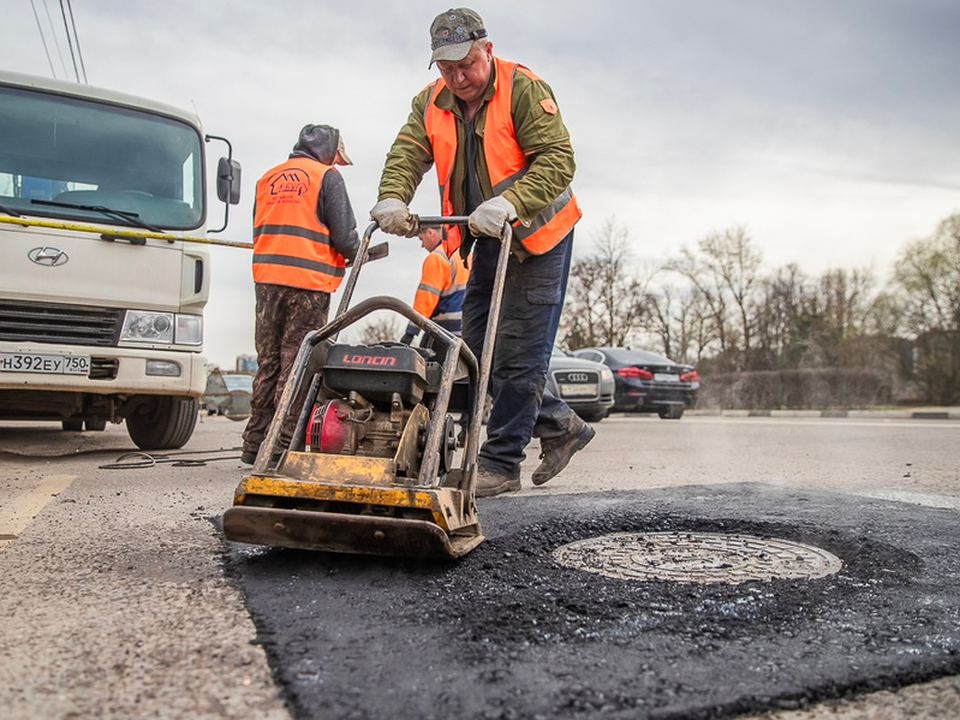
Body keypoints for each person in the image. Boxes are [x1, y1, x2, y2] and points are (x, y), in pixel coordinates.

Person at [370, 8, 594, 497]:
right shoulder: (430, 101)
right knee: (474, 351)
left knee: (521, 354)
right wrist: (393, 196)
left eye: (466, 64)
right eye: (447, 68)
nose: (459, 77)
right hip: (486, 237)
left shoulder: (523, 88)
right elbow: (407, 153)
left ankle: (500, 462)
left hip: (538, 235)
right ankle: (560, 425)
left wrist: (510, 203)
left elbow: (559, 161)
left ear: (487, 50)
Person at [241, 124, 359, 465]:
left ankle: (254, 442)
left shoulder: (267, 178)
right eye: (337, 158)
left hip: (266, 281)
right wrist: (353, 253)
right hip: (307, 283)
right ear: (330, 152)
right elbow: (345, 236)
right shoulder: (327, 177)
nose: (337, 164)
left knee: (269, 362)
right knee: (297, 365)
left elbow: (259, 226)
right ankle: (279, 448)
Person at [400, 225, 469, 349]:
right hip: (467, 328)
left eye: (422, 239)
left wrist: (410, 332)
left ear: (430, 232)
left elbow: (426, 299)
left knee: (426, 365)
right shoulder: (463, 254)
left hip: (444, 330)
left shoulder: (436, 258)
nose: (422, 245)